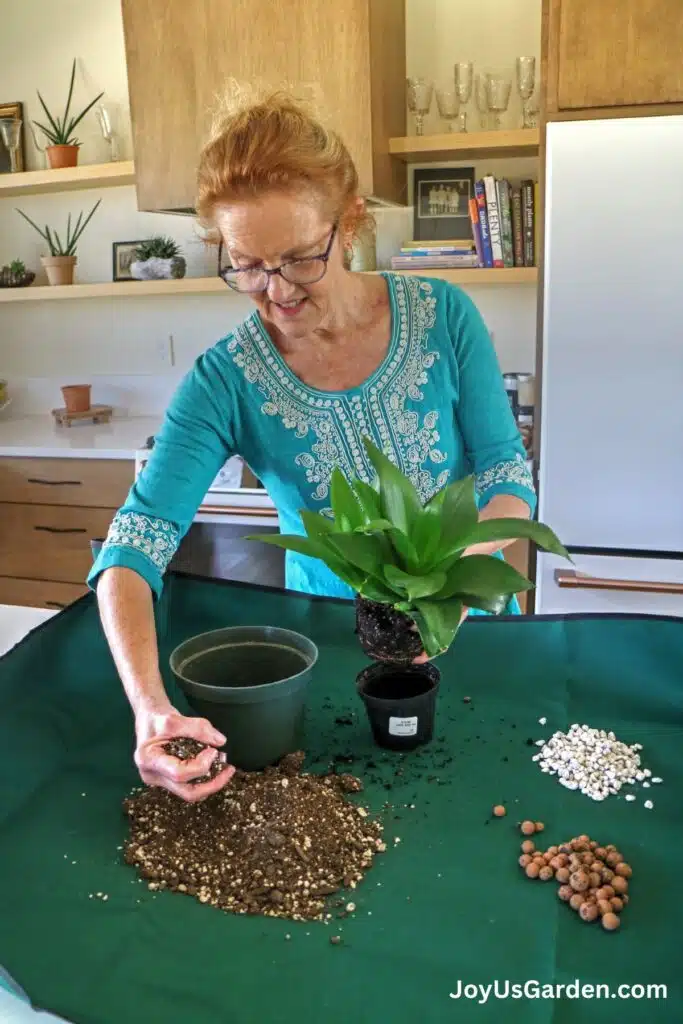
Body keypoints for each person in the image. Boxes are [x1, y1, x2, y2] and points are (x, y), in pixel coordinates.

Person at [89, 89, 536, 804]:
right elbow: (132, 545)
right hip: (325, 652)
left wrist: (447, 579)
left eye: (299, 259)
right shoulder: (224, 379)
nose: (275, 291)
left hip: (471, 636)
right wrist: (150, 709)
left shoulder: (441, 315)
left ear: (349, 221)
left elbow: (507, 475)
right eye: (247, 266)